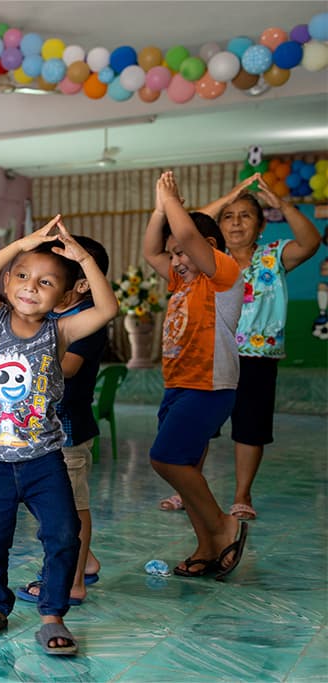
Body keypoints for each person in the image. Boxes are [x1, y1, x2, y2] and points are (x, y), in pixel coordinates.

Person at [0, 216, 117, 656]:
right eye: (23, 276)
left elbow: (107, 310)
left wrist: (83, 257)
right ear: (8, 280)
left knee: (64, 535)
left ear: (64, 297)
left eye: (46, 282)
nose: (31, 286)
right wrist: (22, 242)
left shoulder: (61, 331)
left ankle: (52, 614)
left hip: (43, 460)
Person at [143, 171, 248, 581]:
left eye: (183, 253)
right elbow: (154, 249)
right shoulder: (181, 281)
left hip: (209, 385)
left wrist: (172, 201)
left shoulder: (222, 276)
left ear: (209, 249)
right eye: (174, 256)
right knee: (185, 470)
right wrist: (158, 209)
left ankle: (224, 526)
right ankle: (206, 546)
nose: (176, 260)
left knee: (165, 458)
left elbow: (187, 236)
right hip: (179, 385)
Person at [200, 173, 320, 521]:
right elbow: (185, 230)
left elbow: (310, 241)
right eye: (229, 216)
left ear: (261, 223)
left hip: (258, 357)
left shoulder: (275, 256)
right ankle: (187, 488)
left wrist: (280, 203)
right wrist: (229, 196)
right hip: (212, 354)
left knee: (250, 427)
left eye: (245, 215)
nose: (236, 223)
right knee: (200, 423)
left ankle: (242, 495)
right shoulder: (209, 258)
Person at [15, 235, 109, 607]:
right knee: (55, 503)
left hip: (69, 429)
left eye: (50, 276)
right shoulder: (52, 314)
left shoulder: (85, 320)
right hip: (49, 429)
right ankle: (84, 563)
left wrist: (24, 355)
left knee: (70, 509)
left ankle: (70, 583)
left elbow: (68, 368)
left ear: (81, 283)